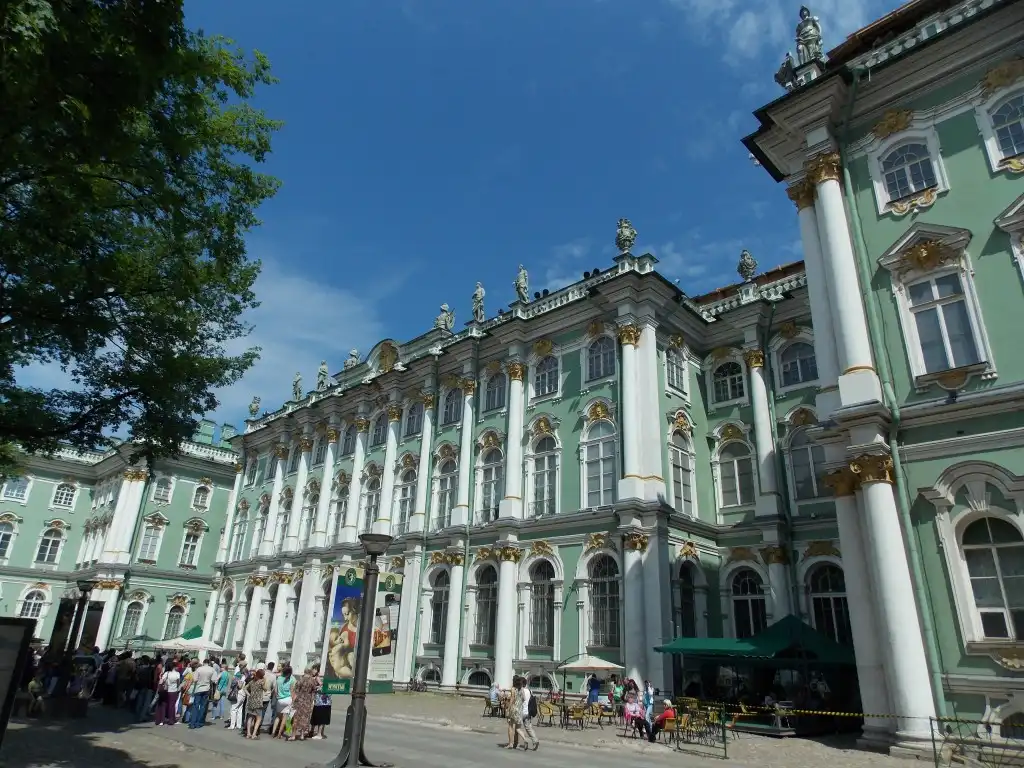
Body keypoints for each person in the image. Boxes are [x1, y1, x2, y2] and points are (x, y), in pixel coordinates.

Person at [288, 666, 317, 741]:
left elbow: (296, 692)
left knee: (296, 718)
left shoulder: (300, 680)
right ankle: (302, 735)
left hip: (299, 701)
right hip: (308, 702)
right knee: (305, 718)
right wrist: (312, 701)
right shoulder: (312, 681)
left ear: (304, 671)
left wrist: (292, 701)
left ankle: (293, 735)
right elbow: (314, 692)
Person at [189, 657, 214, 728]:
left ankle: (192, 723)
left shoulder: (199, 669)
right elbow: (214, 680)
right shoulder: (212, 670)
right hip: (206, 689)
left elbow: (195, 679)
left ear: (203, 663)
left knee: (195, 706)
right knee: (203, 706)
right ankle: (198, 723)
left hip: (198, 689)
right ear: (209, 663)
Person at [154, 659, 181, 726]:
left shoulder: (166, 673)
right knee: (172, 706)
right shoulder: (177, 674)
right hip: (173, 691)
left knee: (163, 705)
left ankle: (161, 720)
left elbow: (161, 681)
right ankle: (171, 720)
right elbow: (178, 683)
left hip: (165, 691)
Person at [271, 664, 293, 738]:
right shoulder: (291, 679)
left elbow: (275, 690)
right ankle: (279, 734)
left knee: (278, 717)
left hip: (280, 699)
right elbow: (292, 691)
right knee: (285, 718)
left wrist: (278, 697)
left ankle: (273, 732)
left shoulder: (279, 679)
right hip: (288, 699)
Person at [519, 677, 540, 751]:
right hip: (528, 712)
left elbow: (519, 701)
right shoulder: (529, 691)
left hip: (521, 712)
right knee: (528, 728)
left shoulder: (521, 691)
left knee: (517, 727)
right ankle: (535, 740)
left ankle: (524, 741)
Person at [245, 669, 266, 739]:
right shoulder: (261, 682)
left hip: (251, 701)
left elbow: (245, 688)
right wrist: (265, 680)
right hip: (258, 702)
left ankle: (248, 733)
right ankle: (254, 734)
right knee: (258, 718)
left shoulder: (252, 681)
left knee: (250, 717)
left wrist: (249, 694)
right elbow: (265, 689)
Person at [310, 672, 331, 740]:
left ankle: (319, 734)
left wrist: (318, 686)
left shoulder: (324, 685)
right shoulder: (325, 684)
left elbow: (323, 691)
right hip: (321, 703)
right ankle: (320, 733)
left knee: (321, 719)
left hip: (322, 704)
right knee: (319, 719)